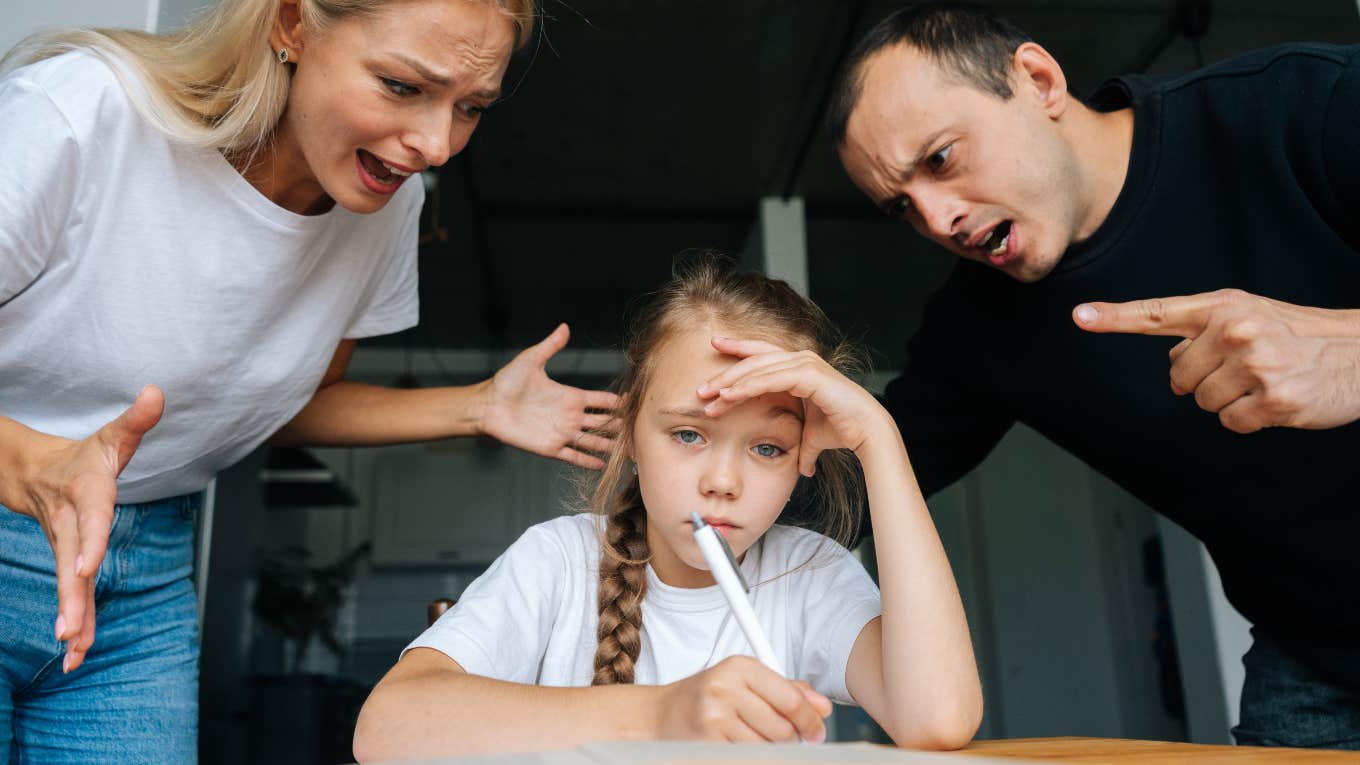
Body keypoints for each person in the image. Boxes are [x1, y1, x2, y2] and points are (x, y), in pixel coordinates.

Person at [0, 0, 620, 760]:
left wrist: (479, 405)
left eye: (471, 108)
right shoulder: (84, 113)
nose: (435, 145)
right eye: (401, 86)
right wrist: (32, 464)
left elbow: (294, 402)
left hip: (144, 572)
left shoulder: (384, 208)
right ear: (292, 23)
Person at [827, 2, 1360, 750]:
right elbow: (851, 485)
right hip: (1317, 653)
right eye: (902, 206)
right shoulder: (981, 324)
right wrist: (681, 445)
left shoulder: (1306, 105)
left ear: (1039, 80)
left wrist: (1352, 351)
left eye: (941, 159)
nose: (939, 219)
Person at [350, 256, 983, 761]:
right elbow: (385, 729)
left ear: (803, 455)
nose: (723, 482)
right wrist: (661, 715)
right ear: (630, 434)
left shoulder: (807, 573)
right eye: (688, 435)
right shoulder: (561, 562)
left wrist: (881, 441)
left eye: (768, 447)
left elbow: (938, 720)